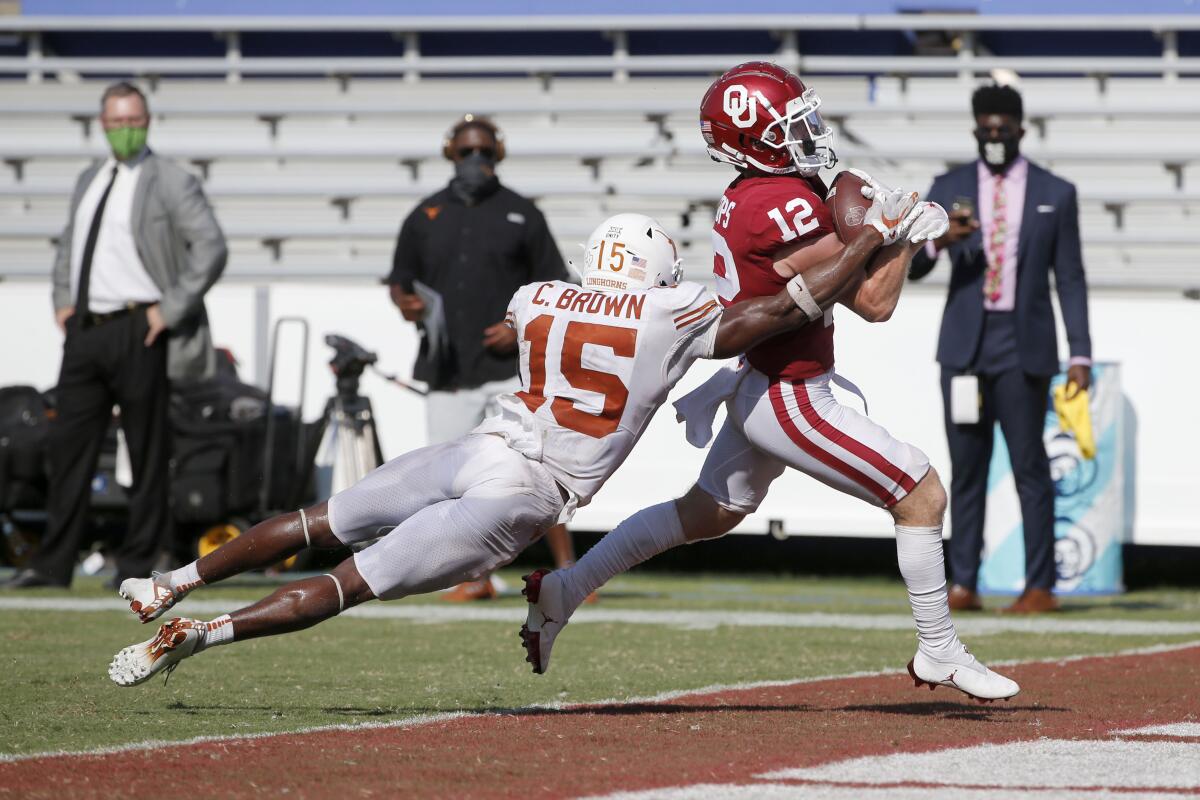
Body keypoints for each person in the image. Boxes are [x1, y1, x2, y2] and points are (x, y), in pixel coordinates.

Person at [107, 208, 893, 687]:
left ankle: (171, 583)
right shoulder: (671, 311)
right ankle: (203, 636)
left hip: (477, 446)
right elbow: (773, 313)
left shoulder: (540, 295)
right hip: (525, 490)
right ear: (654, 271)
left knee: (318, 519)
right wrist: (862, 247)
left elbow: (522, 325)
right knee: (348, 583)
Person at [520, 62, 1019, 703]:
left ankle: (565, 588)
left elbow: (843, 251)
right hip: (788, 395)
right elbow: (873, 302)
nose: (807, 133)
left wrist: (881, 225)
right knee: (919, 492)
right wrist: (900, 238)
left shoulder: (755, 194)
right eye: (791, 126)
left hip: (763, 379)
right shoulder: (776, 204)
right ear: (752, 141)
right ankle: (939, 650)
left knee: (704, 514)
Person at [3, 81, 226, 590]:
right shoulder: (89, 178)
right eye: (117, 122)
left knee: (146, 452)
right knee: (68, 450)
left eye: (135, 121)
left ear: (147, 122)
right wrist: (63, 300)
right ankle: (52, 563)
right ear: (102, 124)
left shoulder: (169, 179)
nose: (126, 130)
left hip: (139, 329)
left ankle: (139, 562)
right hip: (86, 330)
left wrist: (166, 312)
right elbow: (70, 248)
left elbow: (210, 248)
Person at [907, 83, 1092, 615]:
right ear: (974, 130)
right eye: (986, 128)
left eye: (1003, 129)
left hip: (1023, 344)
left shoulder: (1056, 192)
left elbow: (1071, 278)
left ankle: (1040, 585)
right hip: (965, 346)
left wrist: (1080, 352)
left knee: (1030, 467)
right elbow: (912, 266)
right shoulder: (949, 185)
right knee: (966, 470)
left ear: (1020, 130)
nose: (995, 136)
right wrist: (940, 240)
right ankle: (963, 581)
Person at [385, 114, 577, 601]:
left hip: (508, 370)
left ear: (498, 155)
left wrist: (516, 329)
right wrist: (405, 303)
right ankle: (474, 579)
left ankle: (568, 570)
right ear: (451, 152)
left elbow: (556, 288)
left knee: (536, 469)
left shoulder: (522, 214)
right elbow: (400, 281)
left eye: (485, 153)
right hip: (449, 368)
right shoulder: (425, 215)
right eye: (467, 152)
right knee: (452, 480)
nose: (476, 161)